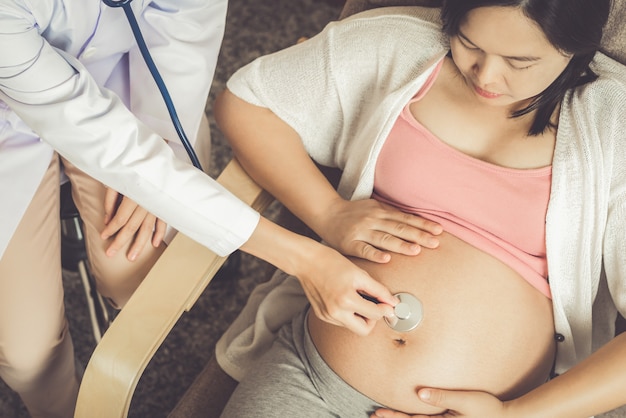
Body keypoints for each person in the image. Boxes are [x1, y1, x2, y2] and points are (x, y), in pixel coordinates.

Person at [211, 1, 626, 417]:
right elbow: (248, 104)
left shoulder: (614, 121)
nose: (485, 75)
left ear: (576, 46)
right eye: (469, 43)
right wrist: (328, 213)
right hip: (313, 380)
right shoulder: (400, 42)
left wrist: (517, 415)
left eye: (519, 62)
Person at [0, 1, 399, 417]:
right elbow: (90, 130)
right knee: (26, 354)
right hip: (10, 111)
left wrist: (159, 154)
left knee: (147, 276)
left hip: (122, 81)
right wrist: (305, 257)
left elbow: (183, 37)